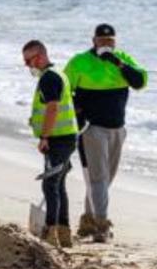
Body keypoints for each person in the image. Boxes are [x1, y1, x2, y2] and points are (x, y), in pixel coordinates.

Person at [64, 23, 148, 243]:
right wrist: (77, 112)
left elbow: (139, 82)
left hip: (118, 129)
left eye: (110, 42)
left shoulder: (122, 59)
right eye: (102, 41)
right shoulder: (79, 62)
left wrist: (118, 63)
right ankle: (102, 226)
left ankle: (87, 221)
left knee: (106, 179)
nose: (106, 45)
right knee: (99, 179)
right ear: (93, 41)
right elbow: (64, 91)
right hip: (92, 129)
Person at [23, 39, 78, 248]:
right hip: (66, 137)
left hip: (57, 139)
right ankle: (64, 233)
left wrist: (44, 136)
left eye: (29, 61)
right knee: (59, 184)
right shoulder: (58, 74)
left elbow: (53, 109)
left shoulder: (50, 78)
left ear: (40, 56)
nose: (27, 66)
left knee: (50, 184)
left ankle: (50, 233)